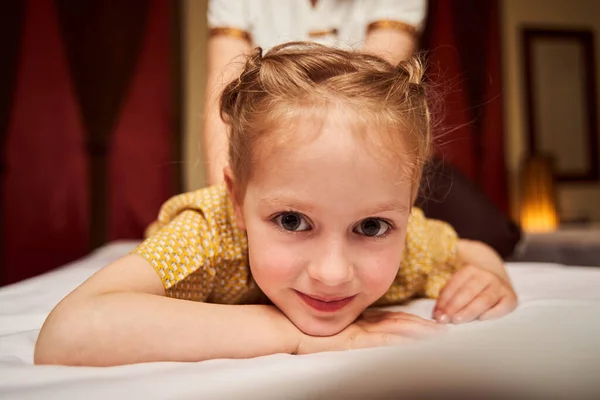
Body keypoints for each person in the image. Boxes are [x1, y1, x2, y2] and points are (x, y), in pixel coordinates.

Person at [35, 43, 517, 367]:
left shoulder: (407, 244)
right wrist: (299, 338)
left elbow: (467, 250)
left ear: (408, 209)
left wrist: (488, 273)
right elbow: (67, 332)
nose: (332, 273)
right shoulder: (207, 234)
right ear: (238, 201)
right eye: (292, 220)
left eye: (370, 227)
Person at [203, 0, 426, 185]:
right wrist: (227, 198)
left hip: (362, 156)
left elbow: (377, 86)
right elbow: (226, 83)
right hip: (266, 150)